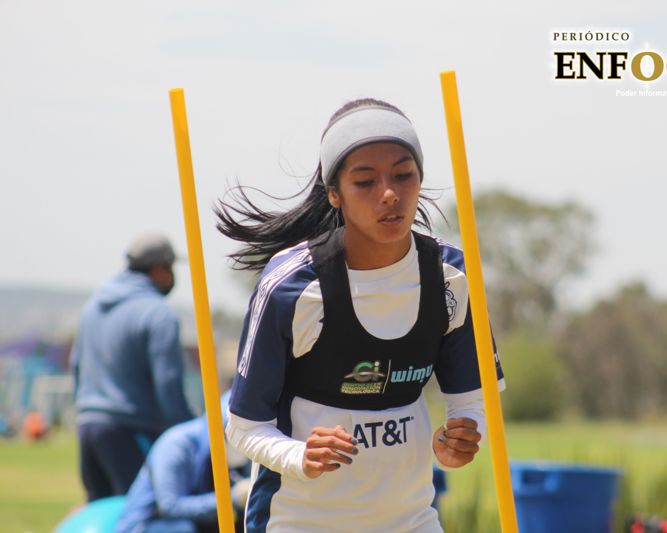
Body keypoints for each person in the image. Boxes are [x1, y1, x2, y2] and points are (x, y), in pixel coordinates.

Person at [216, 98, 505, 532]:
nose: (389, 194)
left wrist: (461, 438)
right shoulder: (292, 288)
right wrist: (299, 456)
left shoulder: (452, 276)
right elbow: (243, 428)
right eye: (365, 181)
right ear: (335, 194)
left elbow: (472, 399)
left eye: (403, 175)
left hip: (411, 522)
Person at [70, 233, 195, 502]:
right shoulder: (158, 313)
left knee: (104, 512)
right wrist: (190, 433)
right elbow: (168, 386)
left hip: (88, 425)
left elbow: (77, 368)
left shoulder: (91, 307)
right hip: (131, 430)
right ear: (160, 270)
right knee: (142, 515)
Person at [115, 392, 250, 533]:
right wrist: (232, 498)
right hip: (146, 526)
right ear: (223, 429)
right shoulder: (176, 445)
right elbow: (170, 507)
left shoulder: (222, 453)